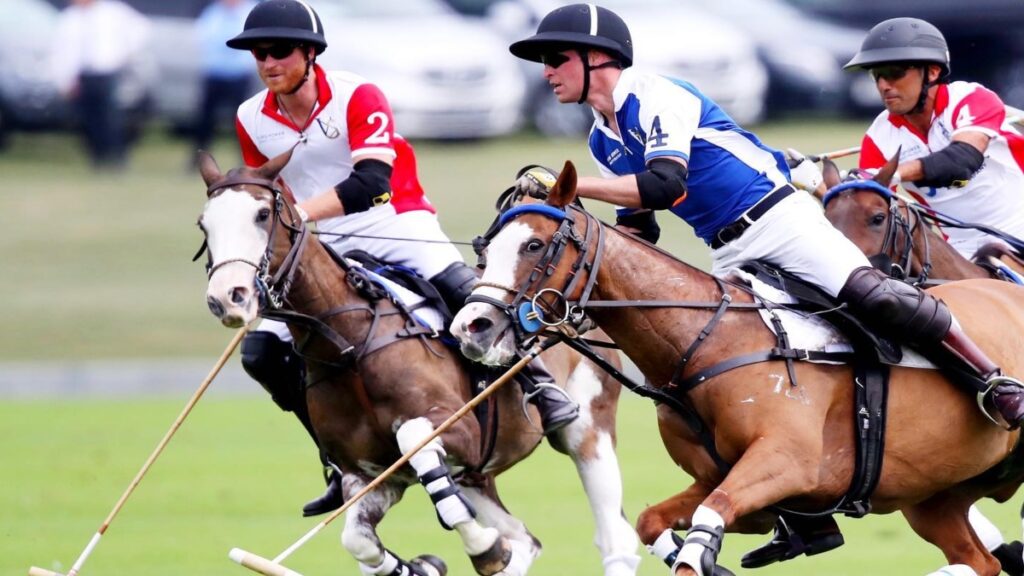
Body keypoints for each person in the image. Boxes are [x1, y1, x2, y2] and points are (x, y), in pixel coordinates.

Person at [509, 3, 1024, 572]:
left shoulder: (656, 94)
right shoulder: (605, 141)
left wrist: (578, 188)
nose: (547, 72)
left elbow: (664, 182)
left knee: (872, 295)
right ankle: (805, 517)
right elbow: (642, 225)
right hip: (729, 248)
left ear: (597, 58)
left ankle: (996, 384)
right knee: (764, 357)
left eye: (555, 59)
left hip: (780, 220)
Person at [226, 0, 579, 518]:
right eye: (258, 53)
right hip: (320, 241)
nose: (267, 62)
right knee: (261, 353)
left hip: (395, 222)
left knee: (470, 297)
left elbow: (372, 182)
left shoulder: (356, 95)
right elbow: (264, 194)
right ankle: (336, 460)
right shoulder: (249, 117)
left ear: (309, 53)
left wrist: (298, 215)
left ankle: (539, 385)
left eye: (278, 51)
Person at [791, 17, 1024, 259]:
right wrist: (815, 185)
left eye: (894, 73)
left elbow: (962, 161)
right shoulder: (879, 136)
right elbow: (865, 207)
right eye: (877, 75)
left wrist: (897, 172)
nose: (884, 85)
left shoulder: (971, 98)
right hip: (962, 252)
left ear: (932, 72)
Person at [51, 0, 150, 170]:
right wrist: (65, 80)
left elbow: (142, 29)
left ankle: (118, 158)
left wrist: (123, 54)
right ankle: (97, 157)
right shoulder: (69, 18)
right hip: (82, 75)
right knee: (88, 119)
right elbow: (63, 52)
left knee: (110, 118)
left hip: (106, 72)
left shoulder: (113, 12)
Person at [192, 0, 257, 159]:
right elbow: (204, 37)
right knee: (206, 119)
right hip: (215, 72)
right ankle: (199, 158)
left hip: (239, 73)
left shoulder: (250, 12)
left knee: (243, 120)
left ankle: (247, 158)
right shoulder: (213, 12)